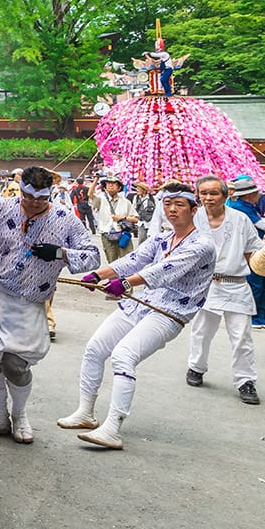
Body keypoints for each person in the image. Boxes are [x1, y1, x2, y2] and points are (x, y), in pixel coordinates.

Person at [0, 165, 101, 453]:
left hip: (30, 301)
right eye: (26, 196)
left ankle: (20, 415)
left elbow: (91, 256)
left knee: (15, 364)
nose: (31, 204)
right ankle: (0, 416)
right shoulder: (0, 209)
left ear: (50, 195)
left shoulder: (64, 219)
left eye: (39, 199)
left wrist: (60, 253)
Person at [57, 184, 218, 448]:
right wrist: (100, 274)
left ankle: (112, 429)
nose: (172, 209)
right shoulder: (161, 239)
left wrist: (126, 283)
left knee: (123, 356)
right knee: (95, 348)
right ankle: (85, 413)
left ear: (193, 209)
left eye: (179, 204)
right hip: (139, 304)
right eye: (168, 204)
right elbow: (134, 260)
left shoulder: (201, 245)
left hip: (168, 312)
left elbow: (163, 270)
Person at [185, 175, 264, 404]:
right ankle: (196, 367)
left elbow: (253, 251)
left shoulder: (240, 220)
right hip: (205, 284)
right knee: (202, 330)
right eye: (203, 193)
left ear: (226, 195)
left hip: (236, 284)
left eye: (214, 193)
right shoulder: (192, 218)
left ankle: (245, 380)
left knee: (241, 336)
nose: (208, 198)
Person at [225, 174, 265, 328]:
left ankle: (260, 315)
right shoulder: (239, 208)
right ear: (249, 195)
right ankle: (253, 315)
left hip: (256, 247)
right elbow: (262, 225)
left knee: (262, 281)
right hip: (248, 249)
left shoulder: (245, 206)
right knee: (255, 282)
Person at [95, 175, 136, 263]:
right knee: (112, 261)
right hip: (107, 234)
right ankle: (114, 277)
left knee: (127, 260)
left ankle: (126, 277)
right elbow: (90, 196)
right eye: (108, 184)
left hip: (123, 234)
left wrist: (123, 217)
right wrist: (95, 179)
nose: (110, 185)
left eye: (113, 184)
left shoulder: (126, 202)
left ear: (119, 187)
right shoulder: (101, 200)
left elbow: (135, 219)